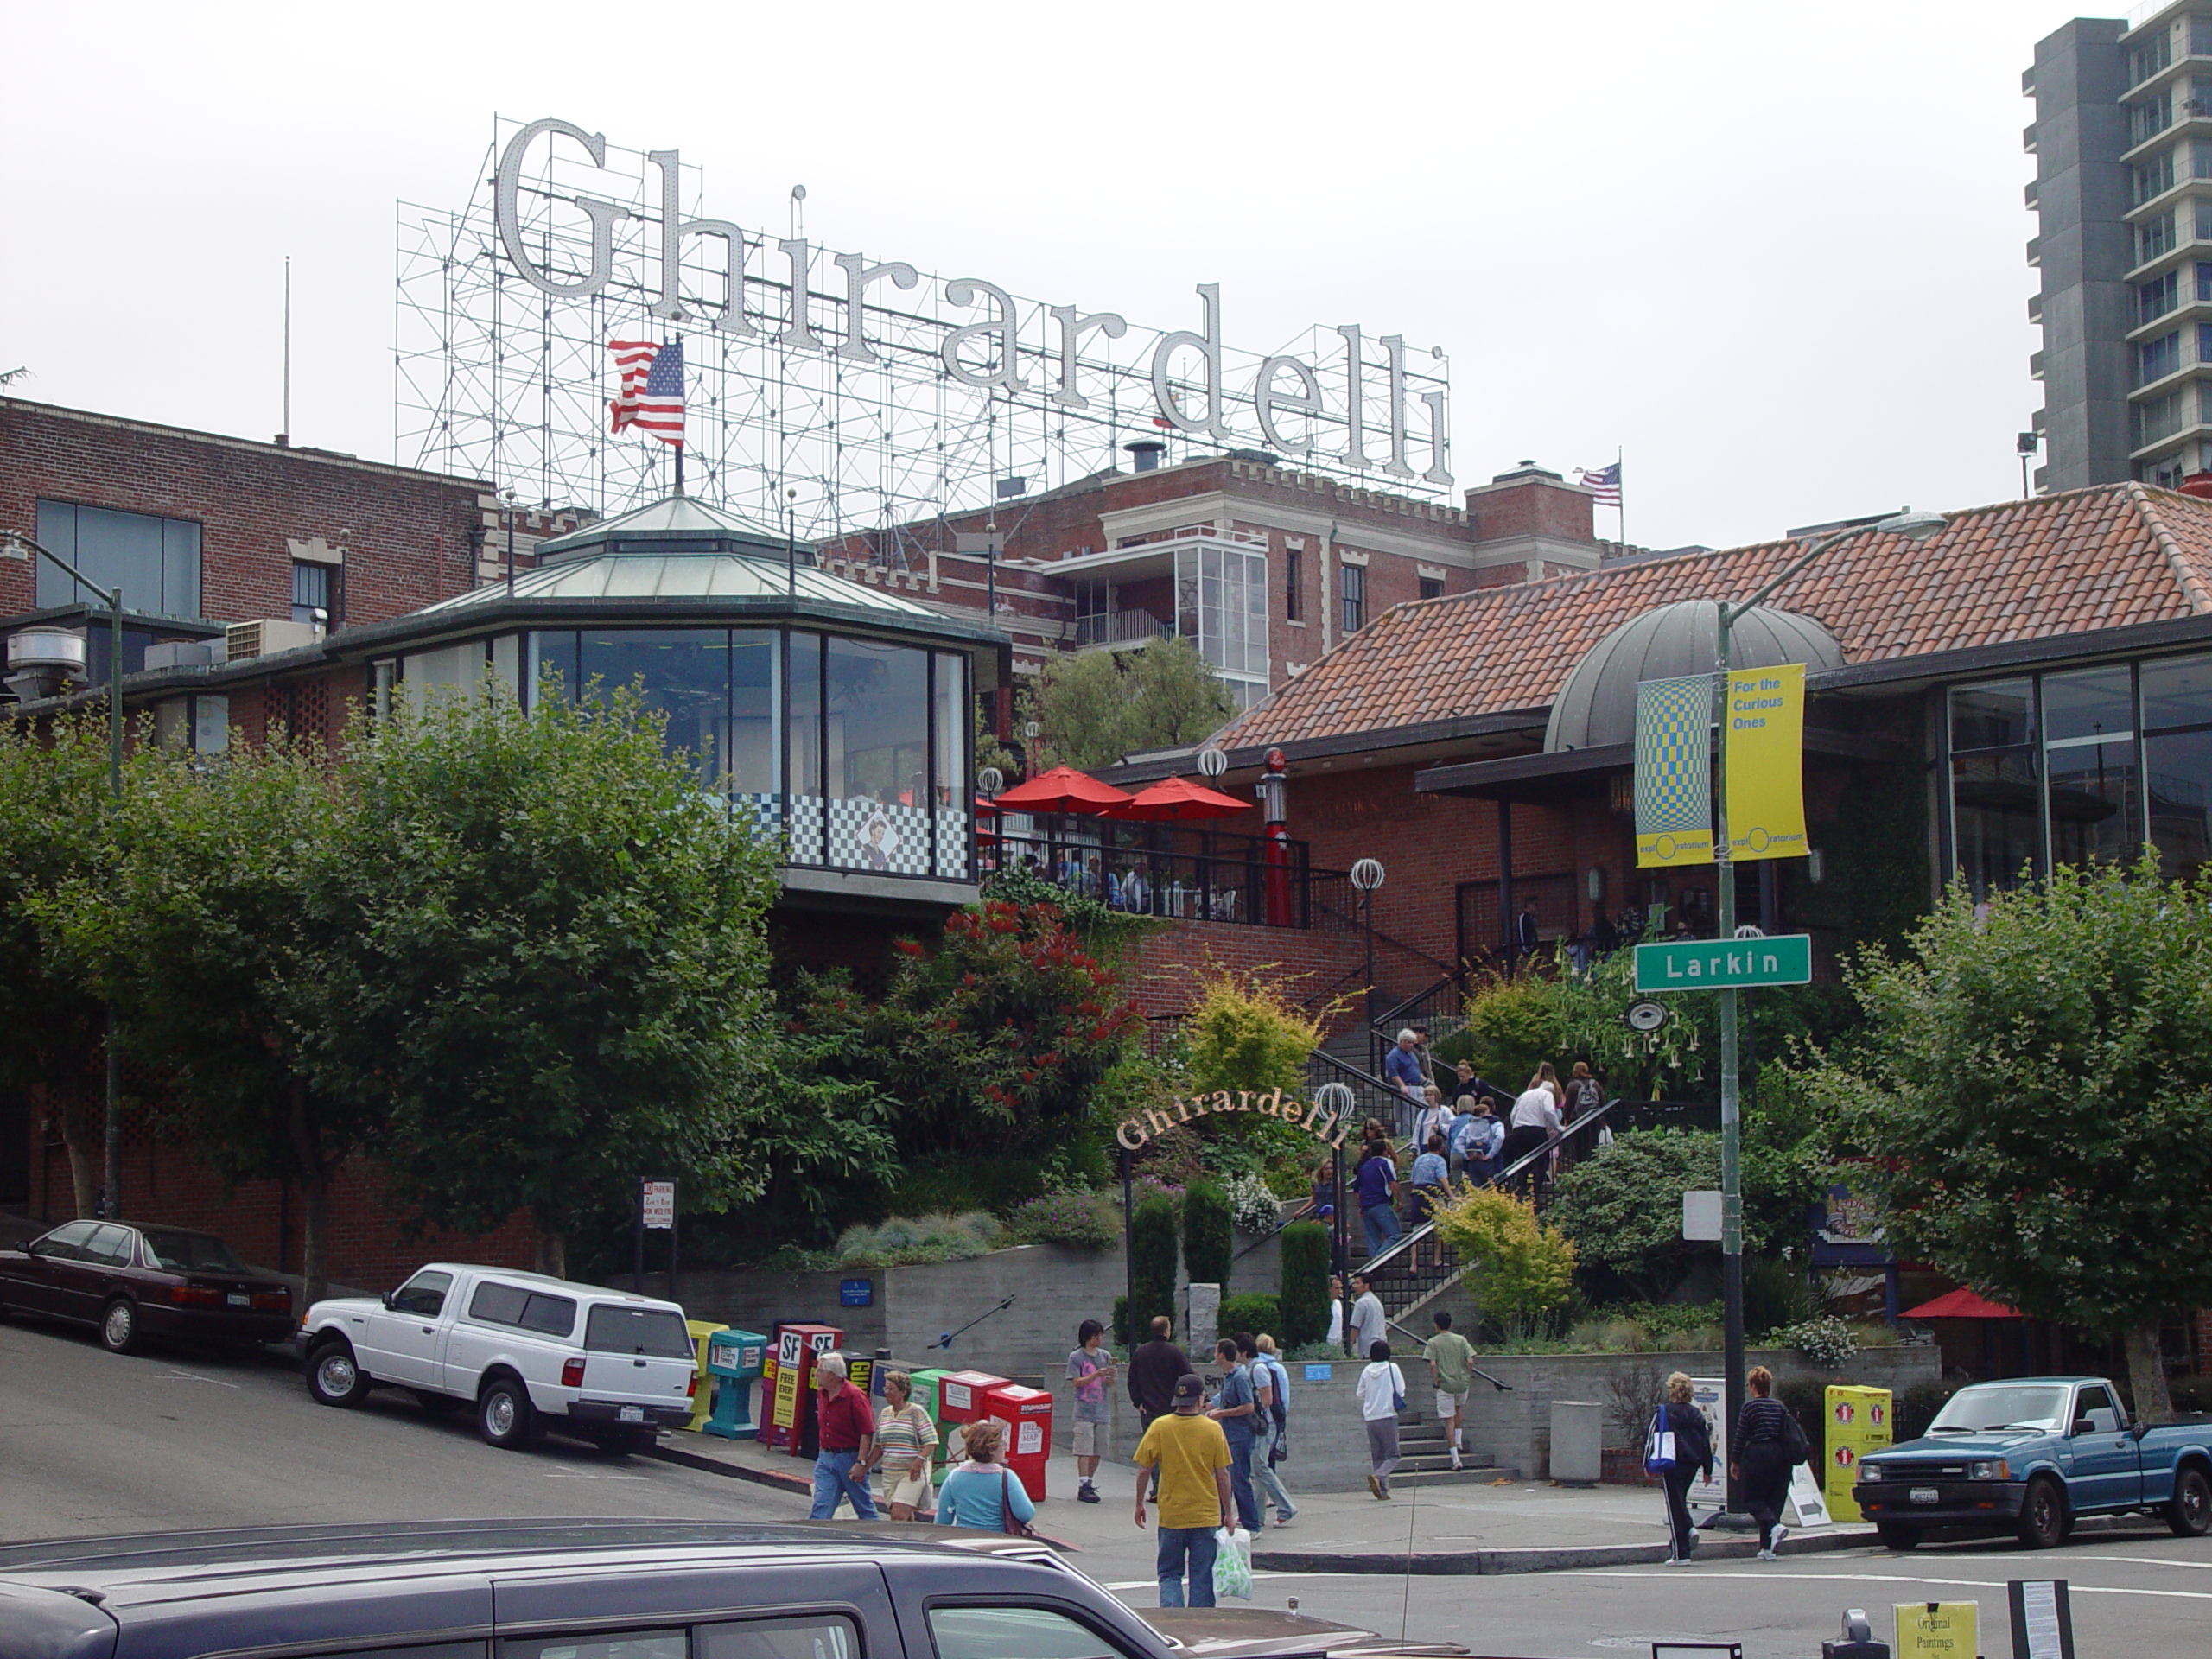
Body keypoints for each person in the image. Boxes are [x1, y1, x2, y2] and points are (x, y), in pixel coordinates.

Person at [1133, 1373, 1235, 1608]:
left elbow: (1143, 1470)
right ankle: (1198, 1628)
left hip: (1172, 1516)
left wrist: (1139, 1504)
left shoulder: (1160, 1426)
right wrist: (1228, 1512)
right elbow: (1222, 1474)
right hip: (1205, 1515)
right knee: (1202, 1577)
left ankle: (1172, 1621)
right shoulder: (1212, 1429)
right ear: (1200, 1399)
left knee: (1169, 1574)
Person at [1730, 1364, 1807, 1560]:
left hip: (1758, 1454)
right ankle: (1767, 1548)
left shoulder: (1749, 1407)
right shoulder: (1779, 1406)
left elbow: (1741, 1436)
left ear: (1754, 1386)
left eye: (1749, 1384)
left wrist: (1735, 1461)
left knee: (1752, 1499)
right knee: (1773, 1502)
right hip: (1781, 1456)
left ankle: (1774, 1527)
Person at [807, 1353, 879, 1521]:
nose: (816, 1374)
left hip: (849, 1458)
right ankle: (813, 1540)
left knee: (863, 1507)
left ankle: (878, 1539)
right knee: (821, 1504)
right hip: (826, 1457)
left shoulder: (855, 1396)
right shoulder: (822, 1393)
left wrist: (861, 1463)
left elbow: (867, 1431)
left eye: (819, 1371)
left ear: (831, 1375)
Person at [1128, 1315, 1192, 1497]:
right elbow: (1188, 1376)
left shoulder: (1141, 1352)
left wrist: (1138, 1402)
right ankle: (1173, 1487)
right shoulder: (1174, 1352)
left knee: (1153, 1452)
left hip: (1148, 1408)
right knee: (1174, 1450)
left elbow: (1132, 1380)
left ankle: (1158, 1488)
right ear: (1166, 1331)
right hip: (1171, 1408)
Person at [936, 1419, 1036, 1533]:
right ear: (991, 1450)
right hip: (996, 1539)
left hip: (963, 1540)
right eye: (1003, 1444)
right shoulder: (1007, 1477)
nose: (1005, 1448)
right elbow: (1025, 1513)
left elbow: (942, 1520)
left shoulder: (954, 1477)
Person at [1656, 1370, 1715, 1565]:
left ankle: (1680, 1553)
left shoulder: (1664, 1411)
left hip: (1672, 1463)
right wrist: (1708, 1469)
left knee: (1675, 1506)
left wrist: (1647, 1463)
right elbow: (1705, 1442)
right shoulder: (1696, 1413)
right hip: (1692, 1462)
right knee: (1680, 1500)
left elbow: (1653, 1438)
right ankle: (1689, 1528)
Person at [1207, 1337, 1262, 1533]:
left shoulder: (1239, 1377)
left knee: (1239, 1480)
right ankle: (1223, 1519)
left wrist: (1221, 1413)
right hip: (1230, 1434)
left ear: (1222, 1355)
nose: (1214, 1356)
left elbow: (1248, 1406)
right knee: (1227, 1478)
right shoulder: (1230, 1376)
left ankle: (1252, 1525)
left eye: (1216, 1352)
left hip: (1241, 1435)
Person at [869, 1370, 938, 1521]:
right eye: (885, 1388)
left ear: (903, 1392)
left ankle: (895, 1542)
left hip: (910, 1473)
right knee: (904, 1516)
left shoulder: (916, 1412)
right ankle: (910, 1541)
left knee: (898, 1514)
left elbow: (931, 1441)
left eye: (891, 1389)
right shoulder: (885, 1413)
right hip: (889, 1474)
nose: (887, 1392)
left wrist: (918, 1462)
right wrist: (864, 1466)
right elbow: (879, 1447)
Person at [1066, 1318, 1117, 1505]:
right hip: (1084, 1409)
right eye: (1096, 1335)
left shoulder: (1104, 1355)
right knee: (1084, 1449)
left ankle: (1089, 1481)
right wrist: (1095, 1374)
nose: (1099, 1339)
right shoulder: (1076, 1357)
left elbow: (1109, 1385)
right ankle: (1083, 1483)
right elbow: (1075, 1382)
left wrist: (1110, 1376)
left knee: (1098, 1449)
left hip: (1101, 1409)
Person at [1250, 1334, 1297, 1527]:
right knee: (1261, 1467)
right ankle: (1257, 1514)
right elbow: (1284, 1399)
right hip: (1273, 1420)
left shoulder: (1254, 1368)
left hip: (1260, 1423)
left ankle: (1282, 1507)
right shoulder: (1278, 1368)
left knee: (1260, 1468)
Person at [1422, 1310, 1476, 1471]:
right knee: (1458, 1408)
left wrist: (1435, 1381)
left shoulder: (1433, 1342)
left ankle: (1455, 1459)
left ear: (1436, 1325)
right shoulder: (1461, 1340)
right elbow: (1470, 1360)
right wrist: (1467, 1374)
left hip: (1445, 1384)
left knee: (1448, 1420)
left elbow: (1432, 1364)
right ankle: (1459, 1441)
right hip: (1461, 1382)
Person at [1502, 1076, 1562, 1204]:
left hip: (1518, 1130)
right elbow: (1549, 1111)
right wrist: (1558, 1127)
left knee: (1523, 1162)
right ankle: (1536, 1194)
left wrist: (1515, 1127)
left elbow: (1513, 1114)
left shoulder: (1524, 1095)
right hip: (1536, 1130)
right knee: (1541, 1162)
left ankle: (1521, 1191)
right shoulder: (1547, 1094)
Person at [1358, 1339, 1407, 1498]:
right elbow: (1400, 1390)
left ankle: (1382, 1491)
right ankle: (1378, 1477)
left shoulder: (1366, 1370)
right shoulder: (1392, 1368)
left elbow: (1360, 1393)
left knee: (1378, 1455)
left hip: (1371, 1417)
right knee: (1393, 1455)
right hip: (1388, 1415)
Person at [1355, 1136, 1402, 1260]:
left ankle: (1372, 1271)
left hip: (1366, 1206)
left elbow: (1357, 1191)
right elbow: (1392, 1183)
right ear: (1385, 1150)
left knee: (1373, 1241)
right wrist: (1399, 1200)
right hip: (1381, 1203)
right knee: (1395, 1235)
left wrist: (1360, 1206)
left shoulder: (1364, 1166)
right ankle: (1377, 1260)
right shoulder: (1385, 1162)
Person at [1408, 1133, 1450, 1269]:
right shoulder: (1439, 1160)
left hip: (1417, 1194)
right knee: (1441, 1227)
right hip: (1432, 1192)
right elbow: (1442, 1178)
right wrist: (1451, 1195)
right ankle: (1436, 1259)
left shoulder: (1419, 1159)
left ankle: (1414, 1264)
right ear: (1441, 1147)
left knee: (1417, 1230)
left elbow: (1413, 1179)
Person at [1453, 1095, 1505, 1186]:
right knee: (1490, 1187)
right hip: (1488, 1161)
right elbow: (1500, 1137)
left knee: (1475, 1188)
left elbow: (1458, 1142)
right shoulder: (1496, 1124)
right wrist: (1490, 1155)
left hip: (1472, 1161)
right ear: (1492, 1109)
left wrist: (1466, 1156)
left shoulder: (1470, 1125)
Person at [1348, 1270, 1386, 1359]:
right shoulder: (1377, 1301)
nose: (1354, 1286)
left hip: (1367, 1348)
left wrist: (1349, 1346)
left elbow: (1355, 1327)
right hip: (1381, 1345)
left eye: (1357, 1283)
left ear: (1366, 1285)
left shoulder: (1361, 1303)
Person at [1382, 1028, 1425, 1101]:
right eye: (1409, 1042)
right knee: (1408, 1111)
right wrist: (1402, 1086)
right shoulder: (1394, 1055)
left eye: (1412, 1042)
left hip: (1418, 1087)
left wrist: (1426, 1082)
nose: (1411, 1045)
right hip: (1407, 1087)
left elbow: (1417, 1070)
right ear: (1402, 1042)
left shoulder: (1412, 1054)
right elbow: (1393, 1074)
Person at [1326, 1274, 1344, 1348]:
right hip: (1328, 1343)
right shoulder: (1326, 1305)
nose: (1340, 1292)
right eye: (1336, 1288)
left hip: (1337, 1344)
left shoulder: (1337, 1304)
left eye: (1341, 1288)